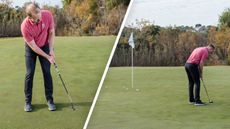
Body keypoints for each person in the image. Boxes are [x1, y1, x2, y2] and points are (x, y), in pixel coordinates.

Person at [21, 2, 56, 112]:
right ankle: (27, 102)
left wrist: (51, 50)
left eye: (39, 11)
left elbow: (51, 32)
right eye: (36, 15)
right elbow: (34, 47)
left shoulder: (47, 15)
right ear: (30, 16)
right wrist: (47, 56)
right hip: (31, 48)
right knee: (29, 73)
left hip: (45, 45)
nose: (39, 16)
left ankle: (50, 100)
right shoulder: (25, 26)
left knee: (47, 71)